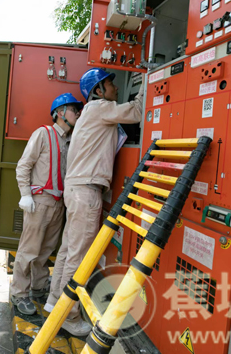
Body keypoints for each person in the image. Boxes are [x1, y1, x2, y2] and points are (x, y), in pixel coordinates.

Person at [44, 68, 144, 336]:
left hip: (77, 190)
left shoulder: (91, 112)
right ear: (98, 91)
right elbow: (137, 111)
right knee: (79, 257)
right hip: (86, 192)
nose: (116, 88)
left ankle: (55, 302)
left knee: (67, 252)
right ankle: (69, 315)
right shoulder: (100, 107)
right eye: (111, 84)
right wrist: (149, 78)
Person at [11, 92, 83, 315]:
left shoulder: (71, 141)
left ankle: (38, 287)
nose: (78, 114)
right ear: (60, 113)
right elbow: (24, 166)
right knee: (29, 250)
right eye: (74, 109)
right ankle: (19, 293)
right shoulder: (43, 134)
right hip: (40, 202)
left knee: (46, 251)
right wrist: (25, 194)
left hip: (59, 203)